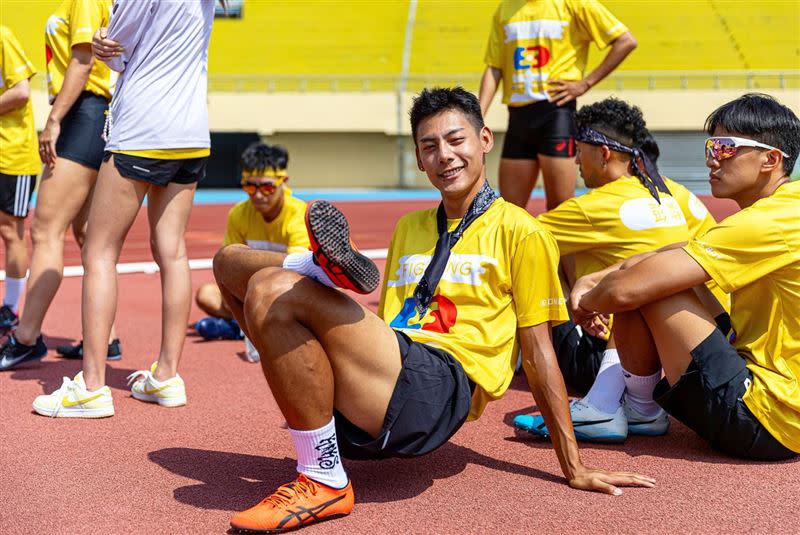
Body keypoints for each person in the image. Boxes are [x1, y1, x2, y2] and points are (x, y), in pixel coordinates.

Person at [214, 87, 653, 533]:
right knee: (228, 263)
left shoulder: (521, 231)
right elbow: (388, 323)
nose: (444, 155)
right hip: (388, 375)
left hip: (443, 385)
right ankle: (316, 270)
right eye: (430, 146)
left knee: (272, 286)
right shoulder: (409, 227)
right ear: (420, 161)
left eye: (455, 140)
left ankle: (323, 476)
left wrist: (572, 464)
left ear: (484, 140)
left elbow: (539, 353)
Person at [569, 93, 799, 460]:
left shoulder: (770, 222)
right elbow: (673, 250)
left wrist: (585, 302)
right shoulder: (785, 210)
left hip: (767, 419)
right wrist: (596, 279)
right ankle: (635, 409)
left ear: (771, 159)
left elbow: (629, 289)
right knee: (652, 272)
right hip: (781, 406)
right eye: (710, 146)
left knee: (647, 285)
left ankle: (629, 407)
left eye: (725, 148)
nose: (711, 159)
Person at [31, 0, 218, 417]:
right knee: (173, 252)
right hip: (190, 129)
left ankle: (93, 386)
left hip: (143, 126)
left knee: (99, 251)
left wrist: (101, 43)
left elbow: (114, 47)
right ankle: (167, 376)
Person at [513, 101, 730, 442]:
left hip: (604, 352)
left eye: (578, 152)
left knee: (537, 255)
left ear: (602, 154)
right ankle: (633, 403)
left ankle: (531, 361)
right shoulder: (677, 194)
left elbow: (512, 240)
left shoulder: (590, 207)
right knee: (651, 269)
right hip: (677, 350)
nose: (574, 162)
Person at [0, 0, 121, 372]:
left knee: (45, 229)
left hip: (84, 111)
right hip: (94, 112)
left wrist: (54, 119)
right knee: (86, 233)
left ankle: (25, 339)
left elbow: (82, 61)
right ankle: (107, 338)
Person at [479, 0, 637, 211]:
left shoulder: (574, 4)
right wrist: (477, 118)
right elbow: (494, 67)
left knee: (559, 209)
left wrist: (585, 84)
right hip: (517, 117)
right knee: (509, 210)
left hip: (556, 113)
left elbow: (625, 41)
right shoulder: (505, 8)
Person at [194, 143, 309, 357]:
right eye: (249, 186)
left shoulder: (299, 215)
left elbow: (296, 272)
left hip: (287, 293)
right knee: (206, 294)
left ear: (283, 182)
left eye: (266, 187)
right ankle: (246, 327)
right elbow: (228, 267)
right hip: (249, 294)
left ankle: (239, 327)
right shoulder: (238, 214)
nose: (257, 195)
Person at [0, 26, 39, 334]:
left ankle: (11, 309)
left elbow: (22, 91)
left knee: (10, 231)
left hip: (12, 154)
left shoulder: (2, 36)